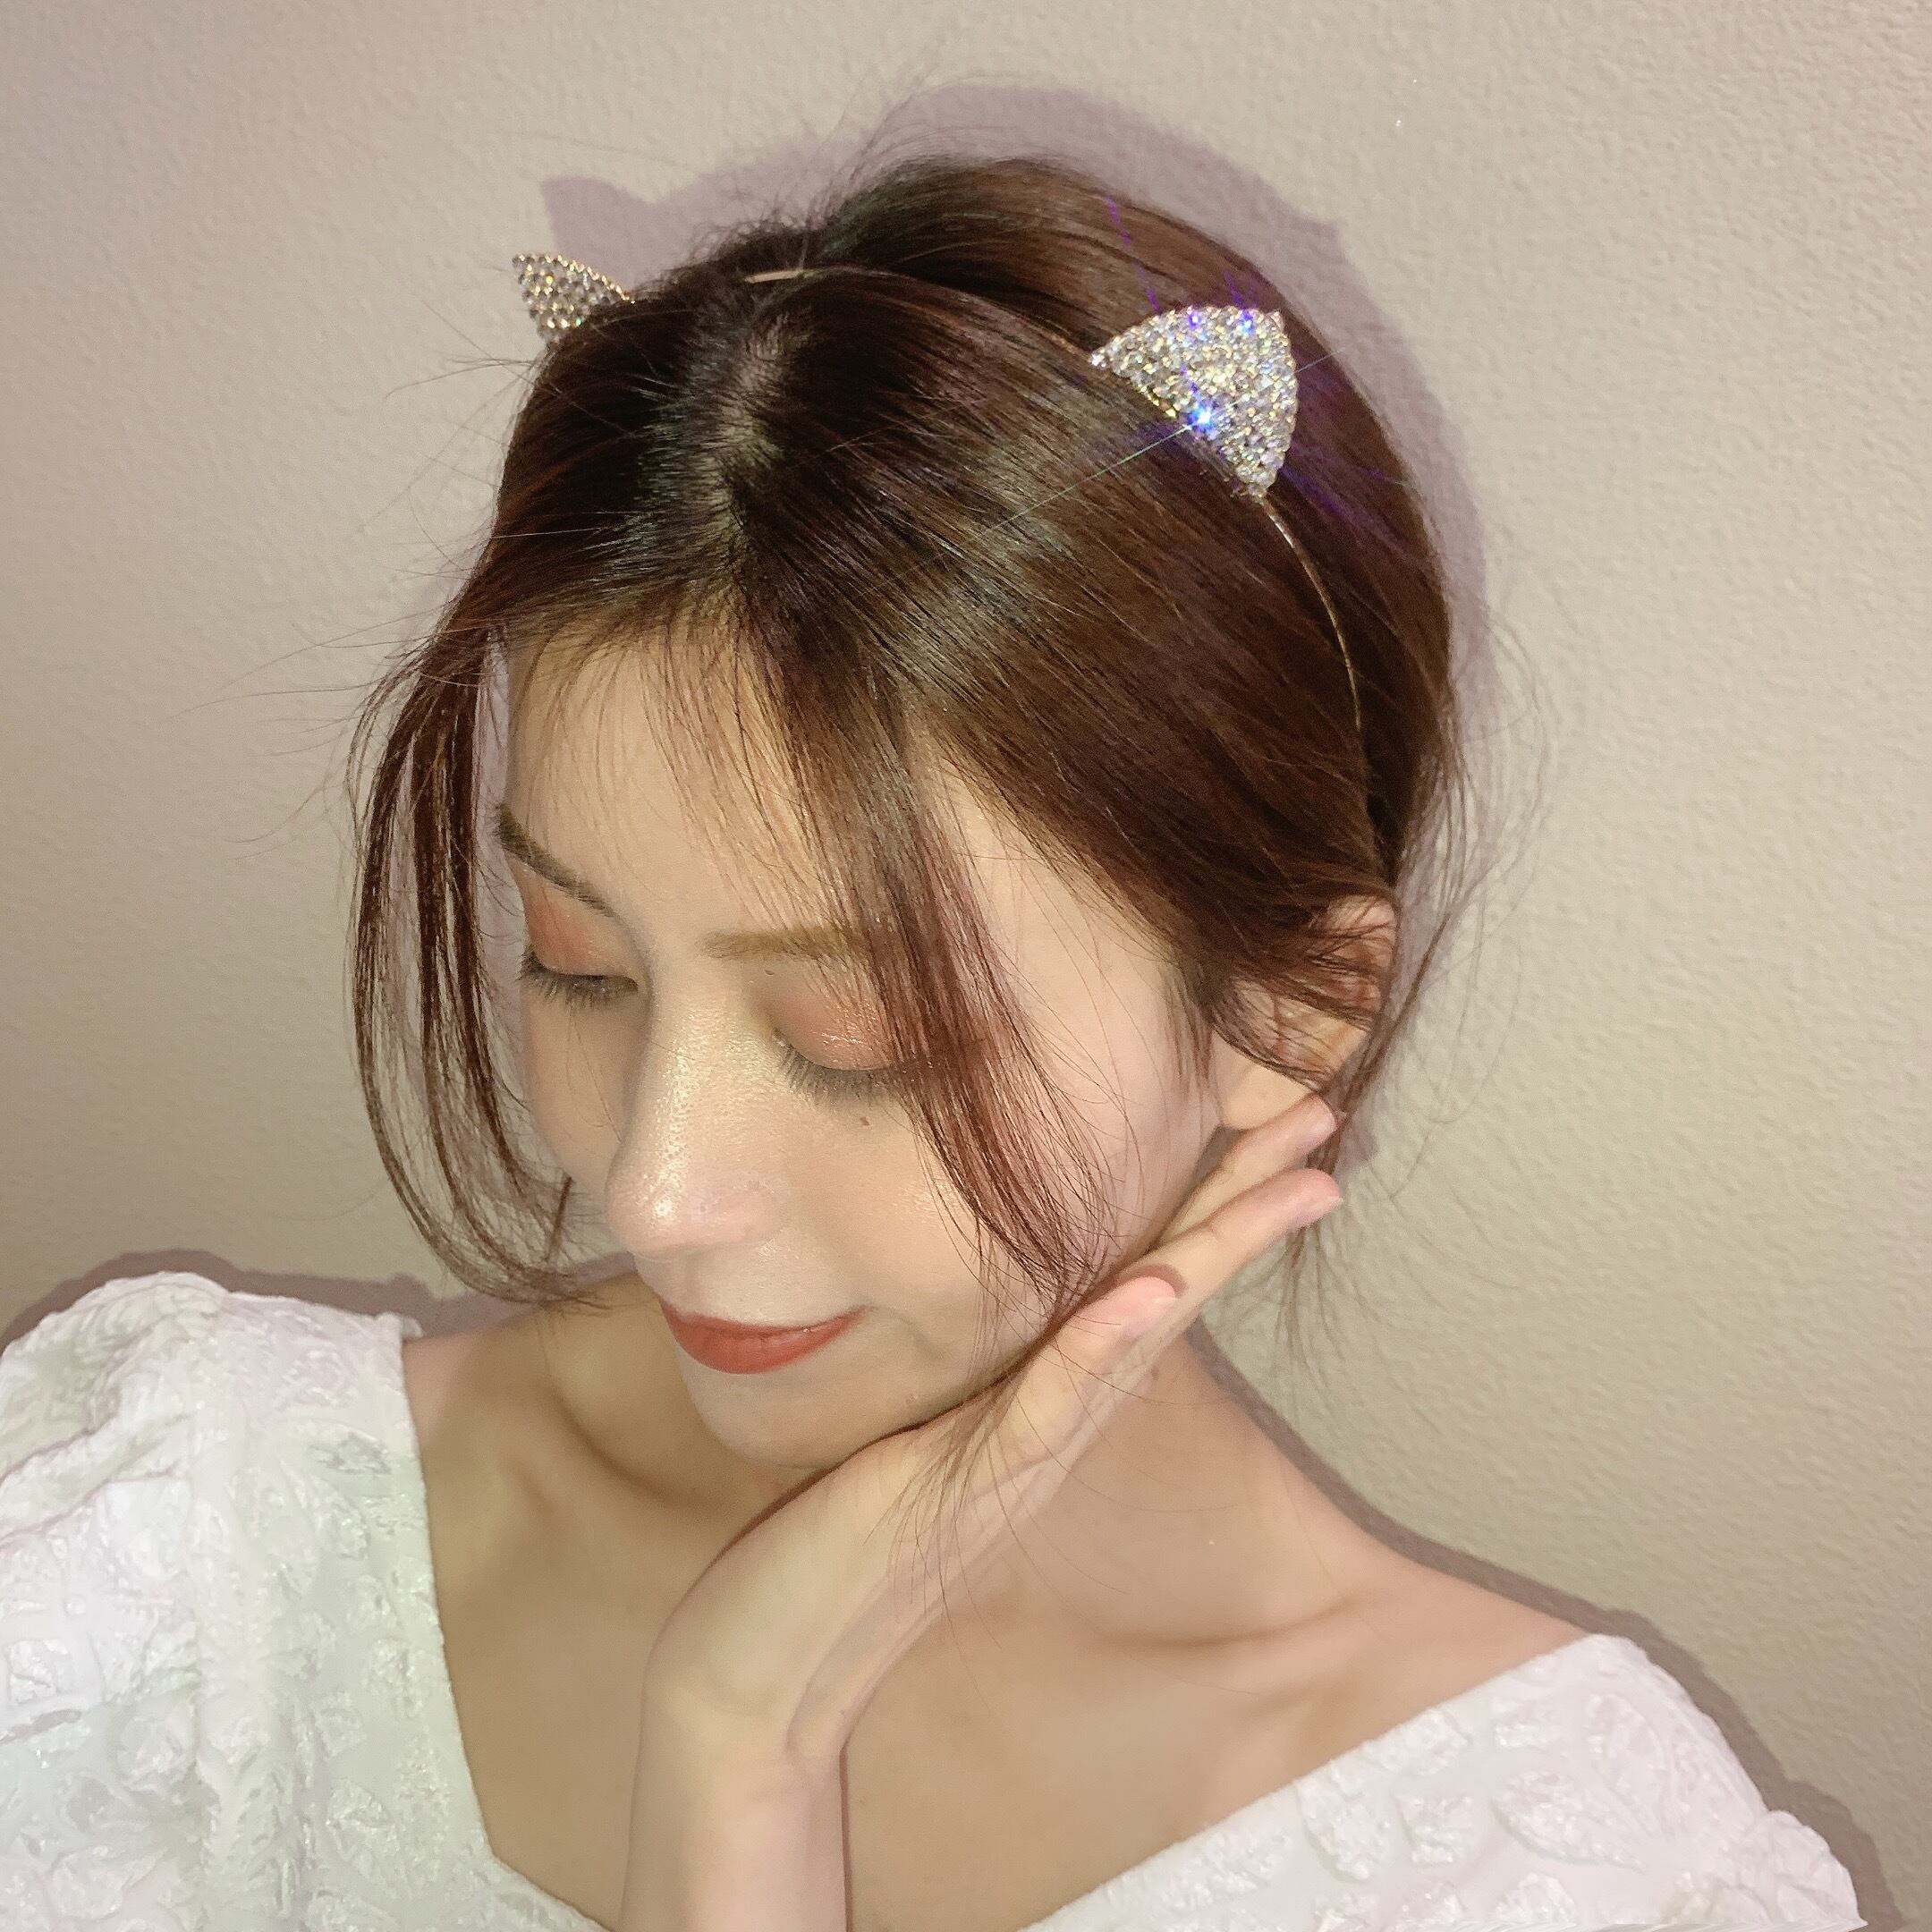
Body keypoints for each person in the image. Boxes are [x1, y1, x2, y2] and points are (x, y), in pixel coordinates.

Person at [0, 150, 1865, 1932]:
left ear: (1293, 1005)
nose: (652, 1191)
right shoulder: (183, 1555)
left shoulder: (1559, 1870)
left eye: (858, 1036)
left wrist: (744, 1757)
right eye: (581, 966)